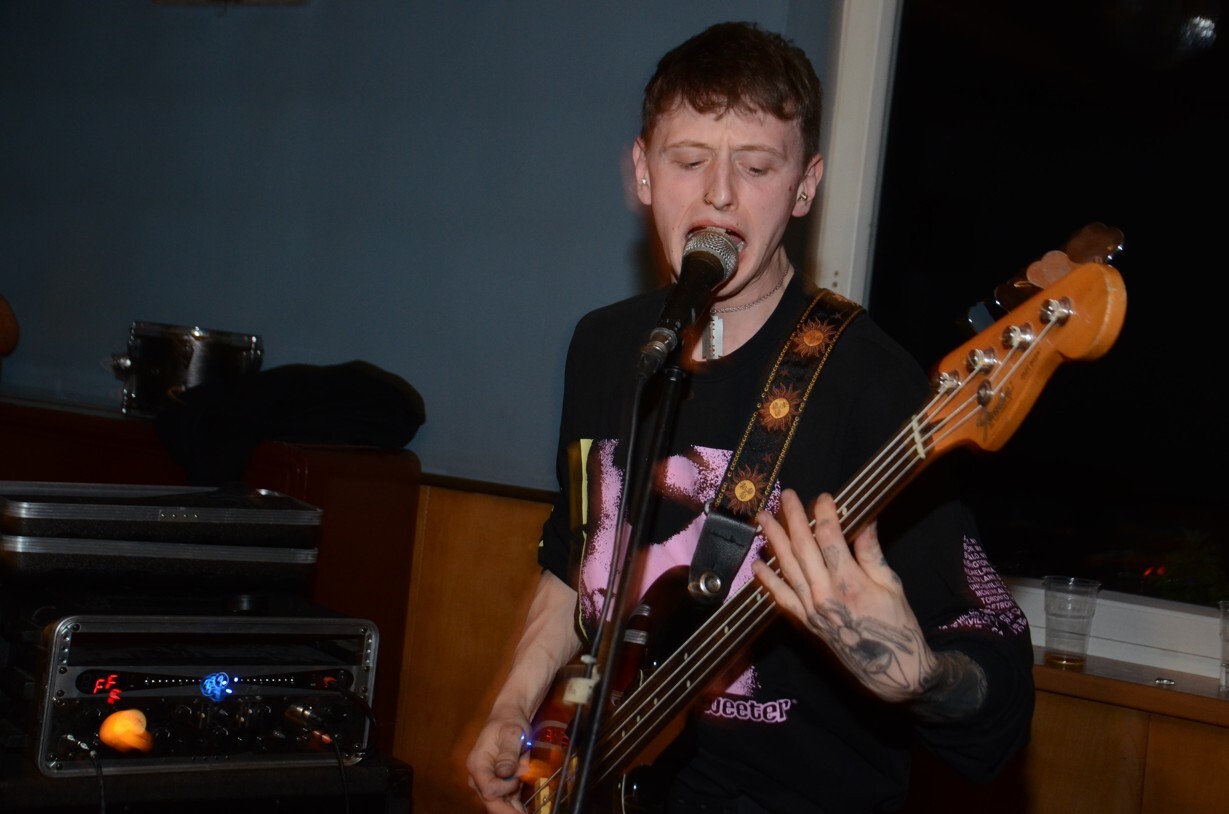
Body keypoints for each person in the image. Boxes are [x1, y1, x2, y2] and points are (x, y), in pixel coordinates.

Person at [466, 20, 1034, 814]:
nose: (719, 193)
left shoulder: (870, 381)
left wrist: (923, 677)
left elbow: (997, 679)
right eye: (688, 160)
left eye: (757, 165)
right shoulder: (608, 347)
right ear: (642, 172)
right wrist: (512, 707)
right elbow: (577, 556)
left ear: (804, 186)